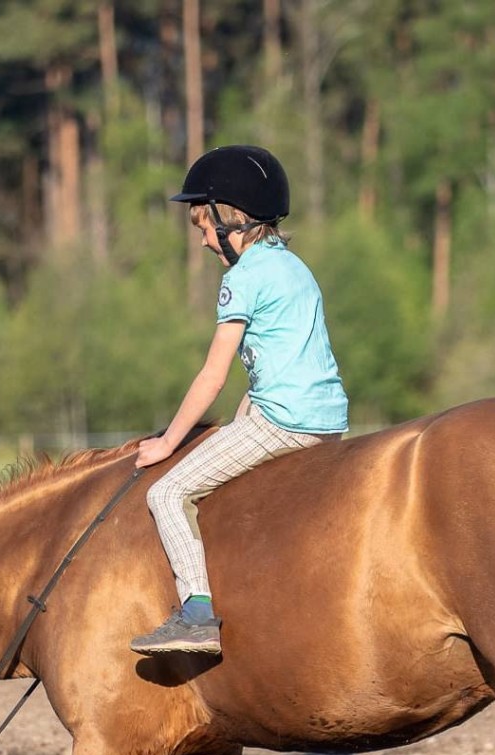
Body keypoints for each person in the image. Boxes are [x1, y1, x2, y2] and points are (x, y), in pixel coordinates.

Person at [130, 145, 349, 657]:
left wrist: (167, 443)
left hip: (285, 422)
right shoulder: (294, 266)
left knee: (166, 494)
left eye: (206, 227)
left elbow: (212, 376)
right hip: (329, 419)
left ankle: (196, 614)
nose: (205, 240)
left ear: (235, 220)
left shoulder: (243, 277)